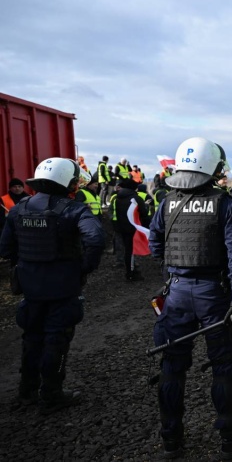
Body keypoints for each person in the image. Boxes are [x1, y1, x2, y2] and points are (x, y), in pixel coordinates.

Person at [148, 137, 232, 460]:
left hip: (176, 293)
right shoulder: (224, 204)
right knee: (224, 366)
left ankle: (171, 443)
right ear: (211, 166)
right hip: (215, 294)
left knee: (171, 366)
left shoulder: (167, 201)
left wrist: (176, 268)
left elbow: (155, 245)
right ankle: (231, 438)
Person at [0, 158, 104, 413]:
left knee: (31, 337)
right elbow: (96, 238)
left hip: (30, 287)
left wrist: (24, 265)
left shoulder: (18, 209)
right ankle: (52, 394)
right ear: (67, 181)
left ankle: (27, 391)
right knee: (57, 338)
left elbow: (5, 247)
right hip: (63, 287)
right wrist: (84, 268)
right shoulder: (74, 209)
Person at [112, 179, 150, 281]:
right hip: (133, 228)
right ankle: (131, 273)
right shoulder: (136, 198)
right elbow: (144, 213)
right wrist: (146, 205)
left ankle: (130, 271)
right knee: (131, 251)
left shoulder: (117, 198)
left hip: (121, 227)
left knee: (127, 250)